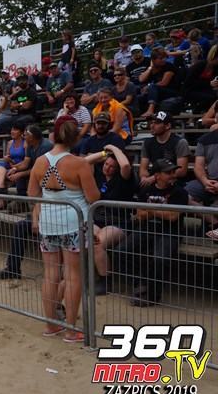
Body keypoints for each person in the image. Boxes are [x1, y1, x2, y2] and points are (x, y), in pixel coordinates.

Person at [28, 118, 99, 342]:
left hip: (49, 222)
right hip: (73, 223)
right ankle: (70, 329)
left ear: (54, 135)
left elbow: (32, 193)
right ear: (74, 136)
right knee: (72, 276)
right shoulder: (79, 163)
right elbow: (93, 197)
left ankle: (51, 325)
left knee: (50, 275)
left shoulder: (40, 161)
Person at [113, 159, 189, 307]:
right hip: (146, 229)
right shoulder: (146, 191)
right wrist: (159, 211)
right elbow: (140, 215)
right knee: (120, 251)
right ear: (157, 175)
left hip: (169, 232)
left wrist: (150, 209)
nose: (173, 175)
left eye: (174, 171)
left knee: (159, 258)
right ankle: (141, 283)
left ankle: (153, 295)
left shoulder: (179, 192)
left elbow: (172, 216)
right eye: (168, 172)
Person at [84, 145, 135, 295]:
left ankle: (105, 282)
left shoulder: (124, 179)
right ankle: (82, 276)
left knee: (98, 244)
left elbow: (125, 165)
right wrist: (103, 153)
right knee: (84, 239)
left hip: (118, 221)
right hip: (97, 219)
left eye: (112, 166)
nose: (107, 168)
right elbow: (85, 162)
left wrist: (114, 148)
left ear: (117, 169)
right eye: (106, 164)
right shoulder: (99, 175)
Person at [138, 111, 190, 188]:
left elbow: (182, 171)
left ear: (167, 126)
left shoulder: (180, 142)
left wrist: (154, 178)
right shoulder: (147, 143)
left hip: (174, 181)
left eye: (156, 123)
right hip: (155, 179)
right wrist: (144, 178)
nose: (152, 126)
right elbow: (143, 168)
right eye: (151, 123)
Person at [184, 128, 218, 229]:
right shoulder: (205, 139)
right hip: (210, 180)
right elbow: (198, 166)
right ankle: (216, 223)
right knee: (182, 196)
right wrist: (205, 181)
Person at [9, 124, 53, 198]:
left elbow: (40, 169)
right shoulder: (30, 145)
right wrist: (15, 168)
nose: (23, 137)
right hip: (37, 169)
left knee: (20, 175)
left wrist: (20, 174)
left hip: (48, 172)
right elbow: (25, 164)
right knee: (19, 174)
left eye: (25, 135)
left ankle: (32, 198)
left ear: (31, 137)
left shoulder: (45, 146)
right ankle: (21, 199)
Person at [0, 122, 26, 210]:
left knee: (5, 173)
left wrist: (15, 167)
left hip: (21, 166)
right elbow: (8, 157)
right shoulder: (10, 143)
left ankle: (3, 199)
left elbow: (27, 161)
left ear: (21, 132)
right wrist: (7, 160)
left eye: (15, 130)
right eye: (11, 130)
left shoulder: (25, 143)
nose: (12, 132)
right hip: (11, 165)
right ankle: (1, 187)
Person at [138, 47, 178, 119]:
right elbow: (141, 79)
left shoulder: (169, 66)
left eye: (164, 57)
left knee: (152, 87)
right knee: (138, 96)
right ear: (153, 60)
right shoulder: (153, 68)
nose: (164, 60)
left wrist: (149, 87)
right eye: (160, 58)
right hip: (157, 93)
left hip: (171, 91)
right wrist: (150, 67)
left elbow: (164, 83)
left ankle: (150, 110)